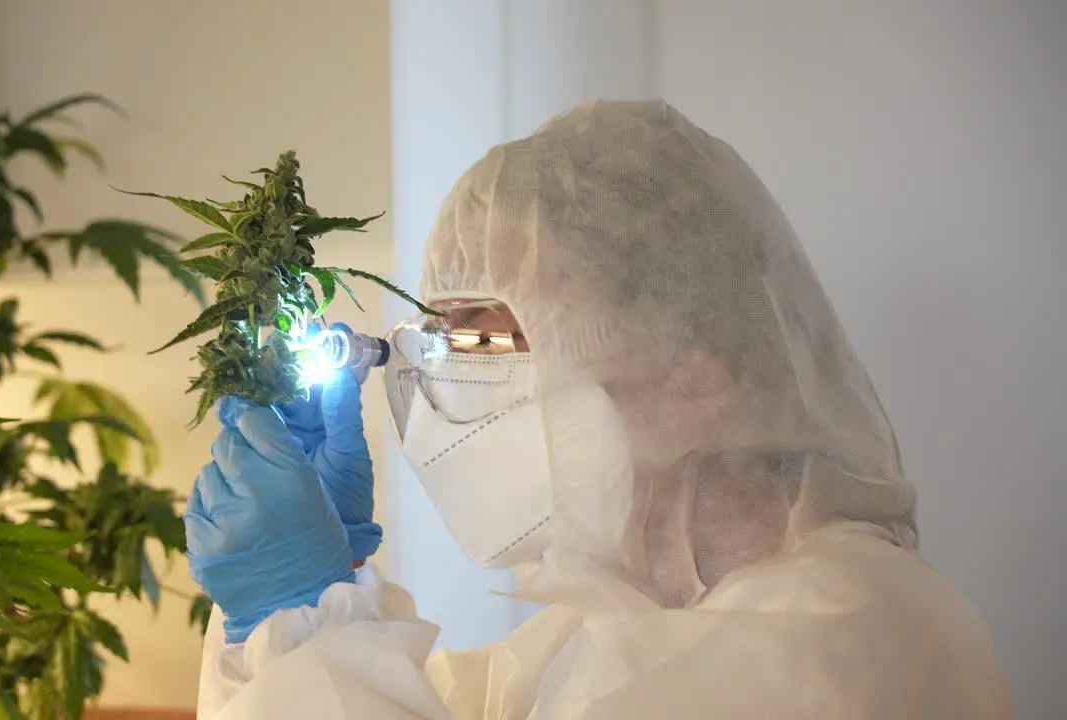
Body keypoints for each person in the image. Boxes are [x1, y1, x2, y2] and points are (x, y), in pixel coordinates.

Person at [183, 100, 1013, 718]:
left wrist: (303, 617)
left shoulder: (835, 645)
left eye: (483, 337)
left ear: (696, 378)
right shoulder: (597, 644)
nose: (434, 379)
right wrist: (303, 618)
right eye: (435, 339)